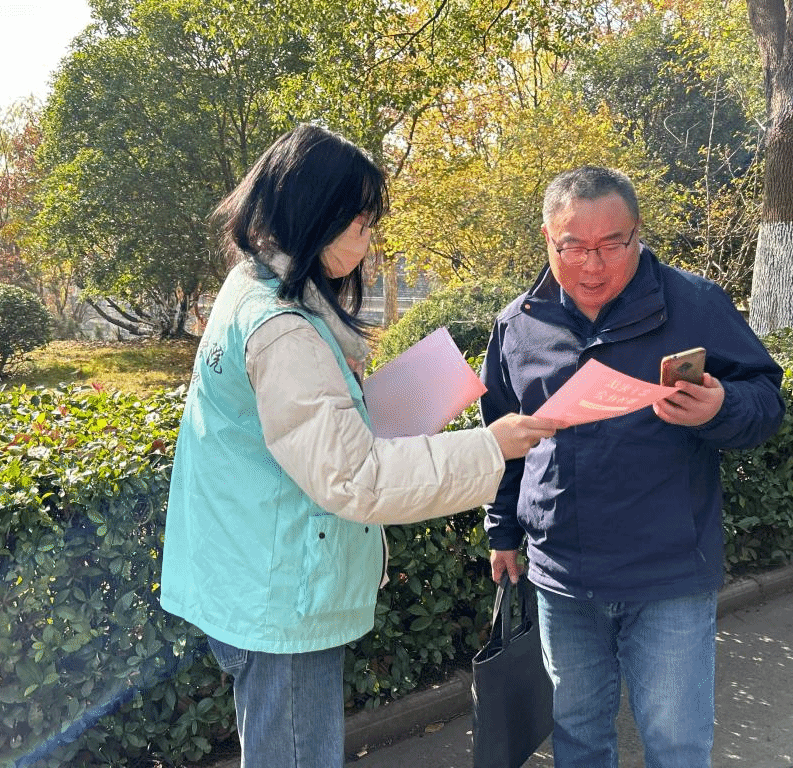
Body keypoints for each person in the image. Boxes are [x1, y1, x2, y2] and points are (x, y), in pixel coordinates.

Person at [158, 123, 556, 768]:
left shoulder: (254, 287)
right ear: (316, 214)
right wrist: (491, 448)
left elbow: (304, 431)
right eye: (362, 222)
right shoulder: (283, 329)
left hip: (256, 575)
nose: (370, 239)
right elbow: (354, 477)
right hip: (280, 595)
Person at [480, 166, 785, 768]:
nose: (593, 266)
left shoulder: (693, 304)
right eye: (573, 246)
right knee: (578, 738)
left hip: (667, 573)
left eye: (612, 245)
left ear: (638, 233)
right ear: (547, 238)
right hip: (563, 575)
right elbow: (502, 443)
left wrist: (721, 406)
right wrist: (503, 531)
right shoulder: (519, 326)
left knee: (676, 744)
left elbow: (767, 402)